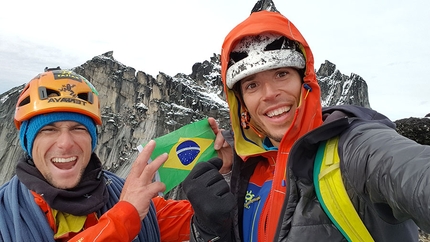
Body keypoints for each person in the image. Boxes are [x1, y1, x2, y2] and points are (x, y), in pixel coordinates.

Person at [182, 1, 430, 241]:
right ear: (242, 103)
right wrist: (208, 230)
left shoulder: (354, 148)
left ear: (305, 81)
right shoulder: (245, 170)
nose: (269, 94)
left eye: (281, 74)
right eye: (252, 85)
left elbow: (411, 173)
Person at [0, 67, 193, 242]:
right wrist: (125, 217)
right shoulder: (4, 219)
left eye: (78, 129)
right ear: (28, 142)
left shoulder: (124, 196)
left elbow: (196, 219)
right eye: (48, 130)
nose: (65, 144)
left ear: (92, 140)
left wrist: (220, 176)